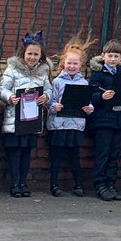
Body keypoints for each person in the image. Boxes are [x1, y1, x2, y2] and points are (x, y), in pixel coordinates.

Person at [0, 32, 52, 197]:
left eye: (36, 54)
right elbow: (2, 89)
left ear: (40, 56)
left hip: (32, 119)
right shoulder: (12, 70)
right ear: (23, 54)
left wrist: (46, 97)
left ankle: (23, 182)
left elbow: (49, 89)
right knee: (15, 152)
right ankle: (14, 183)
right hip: (15, 119)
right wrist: (10, 97)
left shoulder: (43, 72)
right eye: (30, 53)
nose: (32, 57)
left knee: (27, 152)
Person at [87, 39, 121, 201]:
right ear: (103, 56)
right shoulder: (98, 74)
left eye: (116, 56)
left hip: (118, 119)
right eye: (110, 55)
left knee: (114, 154)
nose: (113, 59)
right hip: (102, 120)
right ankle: (100, 185)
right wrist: (101, 96)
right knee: (103, 153)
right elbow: (90, 96)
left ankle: (111, 184)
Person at [47, 39, 93, 197]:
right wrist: (54, 106)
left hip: (75, 124)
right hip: (59, 124)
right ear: (63, 63)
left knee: (74, 156)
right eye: (69, 63)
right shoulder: (57, 82)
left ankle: (78, 184)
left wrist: (89, 109)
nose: (72, 66)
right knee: (57, 157)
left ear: (80, 65)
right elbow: (50, 101)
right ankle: (54, 184)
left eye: (75, 64)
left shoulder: (84, 82)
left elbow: (89, 103)